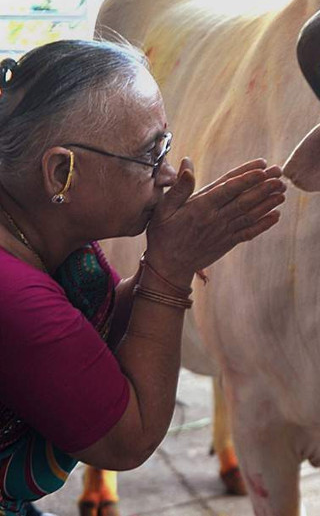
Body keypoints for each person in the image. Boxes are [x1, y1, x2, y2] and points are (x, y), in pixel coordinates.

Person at [0, 39, 287, 516]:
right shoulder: (14, 295)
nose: (170, 175)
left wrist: (169, 260)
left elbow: (90, 341)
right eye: (151, 155)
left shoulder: (36, 224)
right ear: (60, 173)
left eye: (167, 148)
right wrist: (169, 275)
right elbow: (125, 440)